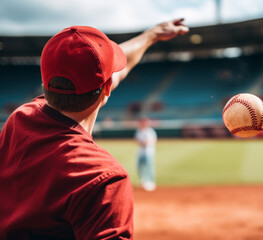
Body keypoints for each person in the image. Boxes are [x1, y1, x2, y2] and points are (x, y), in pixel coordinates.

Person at [0, 19, 189, 239]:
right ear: (107, 87)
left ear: (46, 82)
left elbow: (116, 71)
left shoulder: (19, 118)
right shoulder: (102, 178)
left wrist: (152, 35)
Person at [135, 117, 157, 191]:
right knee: (139, 168)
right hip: (140, 152)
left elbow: (151, 141)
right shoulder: (139, 131)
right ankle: (144, 181)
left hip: (148, 152)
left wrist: (144, 142)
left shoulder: (150, 131)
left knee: (149, 168)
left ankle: (151, 182)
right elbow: (137, 140)